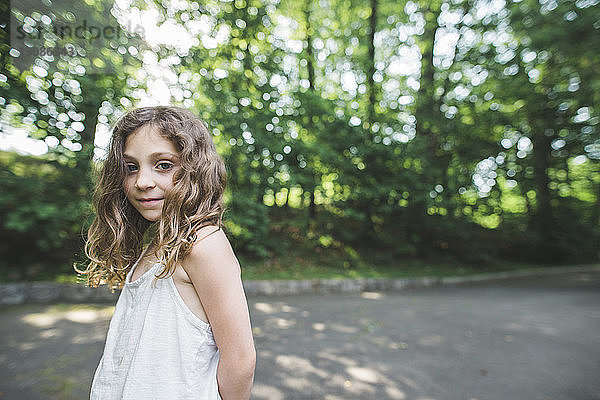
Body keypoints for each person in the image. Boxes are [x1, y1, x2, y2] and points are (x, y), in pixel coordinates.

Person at [78, 106, 255, 400]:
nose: (142, 181)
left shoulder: (203, 243)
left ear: (194, 170)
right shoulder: (158, 241)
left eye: (163, 165)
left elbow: (241, 360)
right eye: (131, 167)